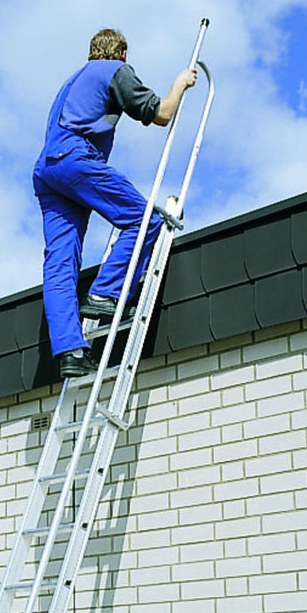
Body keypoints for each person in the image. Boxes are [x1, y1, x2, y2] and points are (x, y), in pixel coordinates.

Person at [33, 28, 197, 378]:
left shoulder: (72, 81)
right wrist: (180, 82)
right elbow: (162, 113)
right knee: (144, 220)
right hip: (75, 159)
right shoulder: (114, 71)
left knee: (60, 264)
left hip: (48, 170)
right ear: (122, 54)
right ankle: (107, 294)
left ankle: (70, 352)